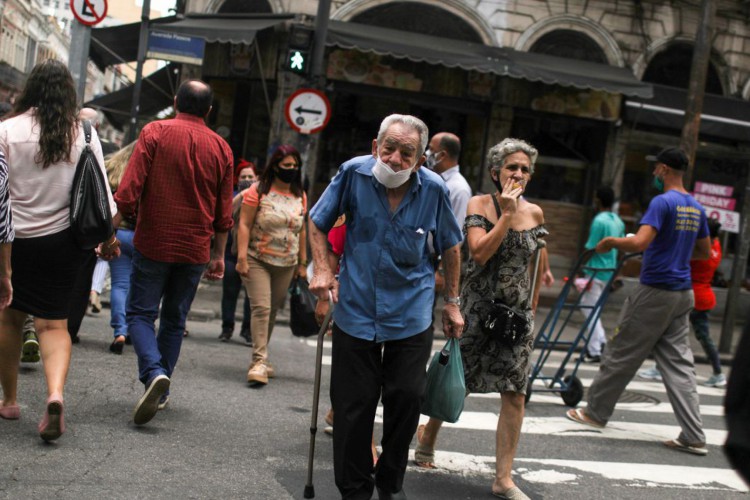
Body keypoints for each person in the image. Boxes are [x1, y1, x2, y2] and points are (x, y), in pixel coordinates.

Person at [309, 114, 465, 500]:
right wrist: (324, 269)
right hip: (356, 307)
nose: (394, 159)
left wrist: (453, 303)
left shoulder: (433, 189)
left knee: (407, 398)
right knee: (351, 406)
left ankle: (390, 483)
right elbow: (316, 222)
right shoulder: (352, 174)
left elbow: (451, 245)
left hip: (410, 311)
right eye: (388, 148)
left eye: (406, 152)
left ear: (420, 159)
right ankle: (355, 490)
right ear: (375, 146)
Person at [414, 138, 547, 500]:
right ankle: (429, 433)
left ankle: (503, 478)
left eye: (524, 169)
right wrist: (505, 213)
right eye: (511, 167)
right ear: (495, 172)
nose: (518, 173)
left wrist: (533, 306)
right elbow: (479, 253)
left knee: (515, 394)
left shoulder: (535, 213)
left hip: (517, 319)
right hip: (477, 310)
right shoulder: (479, 204)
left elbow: (536, 261)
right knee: (459, 380)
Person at [566, 146, 711, 456]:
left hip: (655, 291)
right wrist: (674, 253)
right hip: (682, 292)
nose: (655, 174)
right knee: (679, 364)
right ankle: (694, 434)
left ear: (665, 170)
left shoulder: (663, 202)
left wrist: (611, 243)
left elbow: (640, 241)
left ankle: (594, 412)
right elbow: (703, 250)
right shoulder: (695, 207)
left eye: (657, 169)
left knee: (621, 351)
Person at [0, 60, 118, 440]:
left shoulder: (5, 131)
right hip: (63, 243)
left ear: (29, 89)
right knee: (54, 325)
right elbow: (103, 198)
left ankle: (11, 401)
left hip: (12, 242)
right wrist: (109, 239)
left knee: (9, 321)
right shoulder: (84, 132)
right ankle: (54, 394)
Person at [113, 79, 233, 426]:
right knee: (175, 320)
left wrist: (111, 229)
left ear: (175, 100)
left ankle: (153, 373)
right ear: (209, 111)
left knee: (139, 313)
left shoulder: (154, 132)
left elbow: (130, 188)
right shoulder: (222, 148)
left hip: (154, 241)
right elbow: (224, 212)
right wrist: (219, 254)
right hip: (196, 247)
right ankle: (161, 388)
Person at [236, 145, 307, 385]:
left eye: (295, 166)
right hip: (258, 258)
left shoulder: (300, 195)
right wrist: (242, 257)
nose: (291, 170)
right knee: (262, 308)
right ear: (275, 166)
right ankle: (258, 361)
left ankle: (262, 357)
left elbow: (302, 229)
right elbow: (244, 224)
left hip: (286, 262)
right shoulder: (258, 191)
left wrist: (302, 264)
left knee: (273, 310)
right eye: (286, 166)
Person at [638, 217, 726, 386]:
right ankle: (717, 372)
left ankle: (660, 369)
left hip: (692, 295)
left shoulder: (702, 251)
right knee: (699, 336)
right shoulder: (716, 247)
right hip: (703, 297)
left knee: (667, 329)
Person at [578, 186, 625, 363]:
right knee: (593, 309)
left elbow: (591, 248)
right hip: (609, 271)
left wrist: (580, 269)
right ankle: (602, 342)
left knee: (589, 309)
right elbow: (620, 249)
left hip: (595, 271)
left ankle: (595, 349)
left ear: (598, 200)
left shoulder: (599, 221)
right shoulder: (618, 221)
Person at [218, 159, 255, 344]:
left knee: (251, 295)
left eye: (250, 176)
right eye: (244, 177)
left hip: (252, 255)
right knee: (230, 292)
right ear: (237, 179)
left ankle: (247, 330)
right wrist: (242, 194)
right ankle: (227, 327)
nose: (247, 179)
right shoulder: (233, 196)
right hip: (230, 253)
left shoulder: (259, 197)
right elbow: (225, 213)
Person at [105, 142, 137, 354]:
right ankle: (137, 328)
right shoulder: (149, 170)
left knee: (120, 285)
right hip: (144, 236)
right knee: (142, 287)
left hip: (120, 234)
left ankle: (120, 331)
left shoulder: (112, 167)